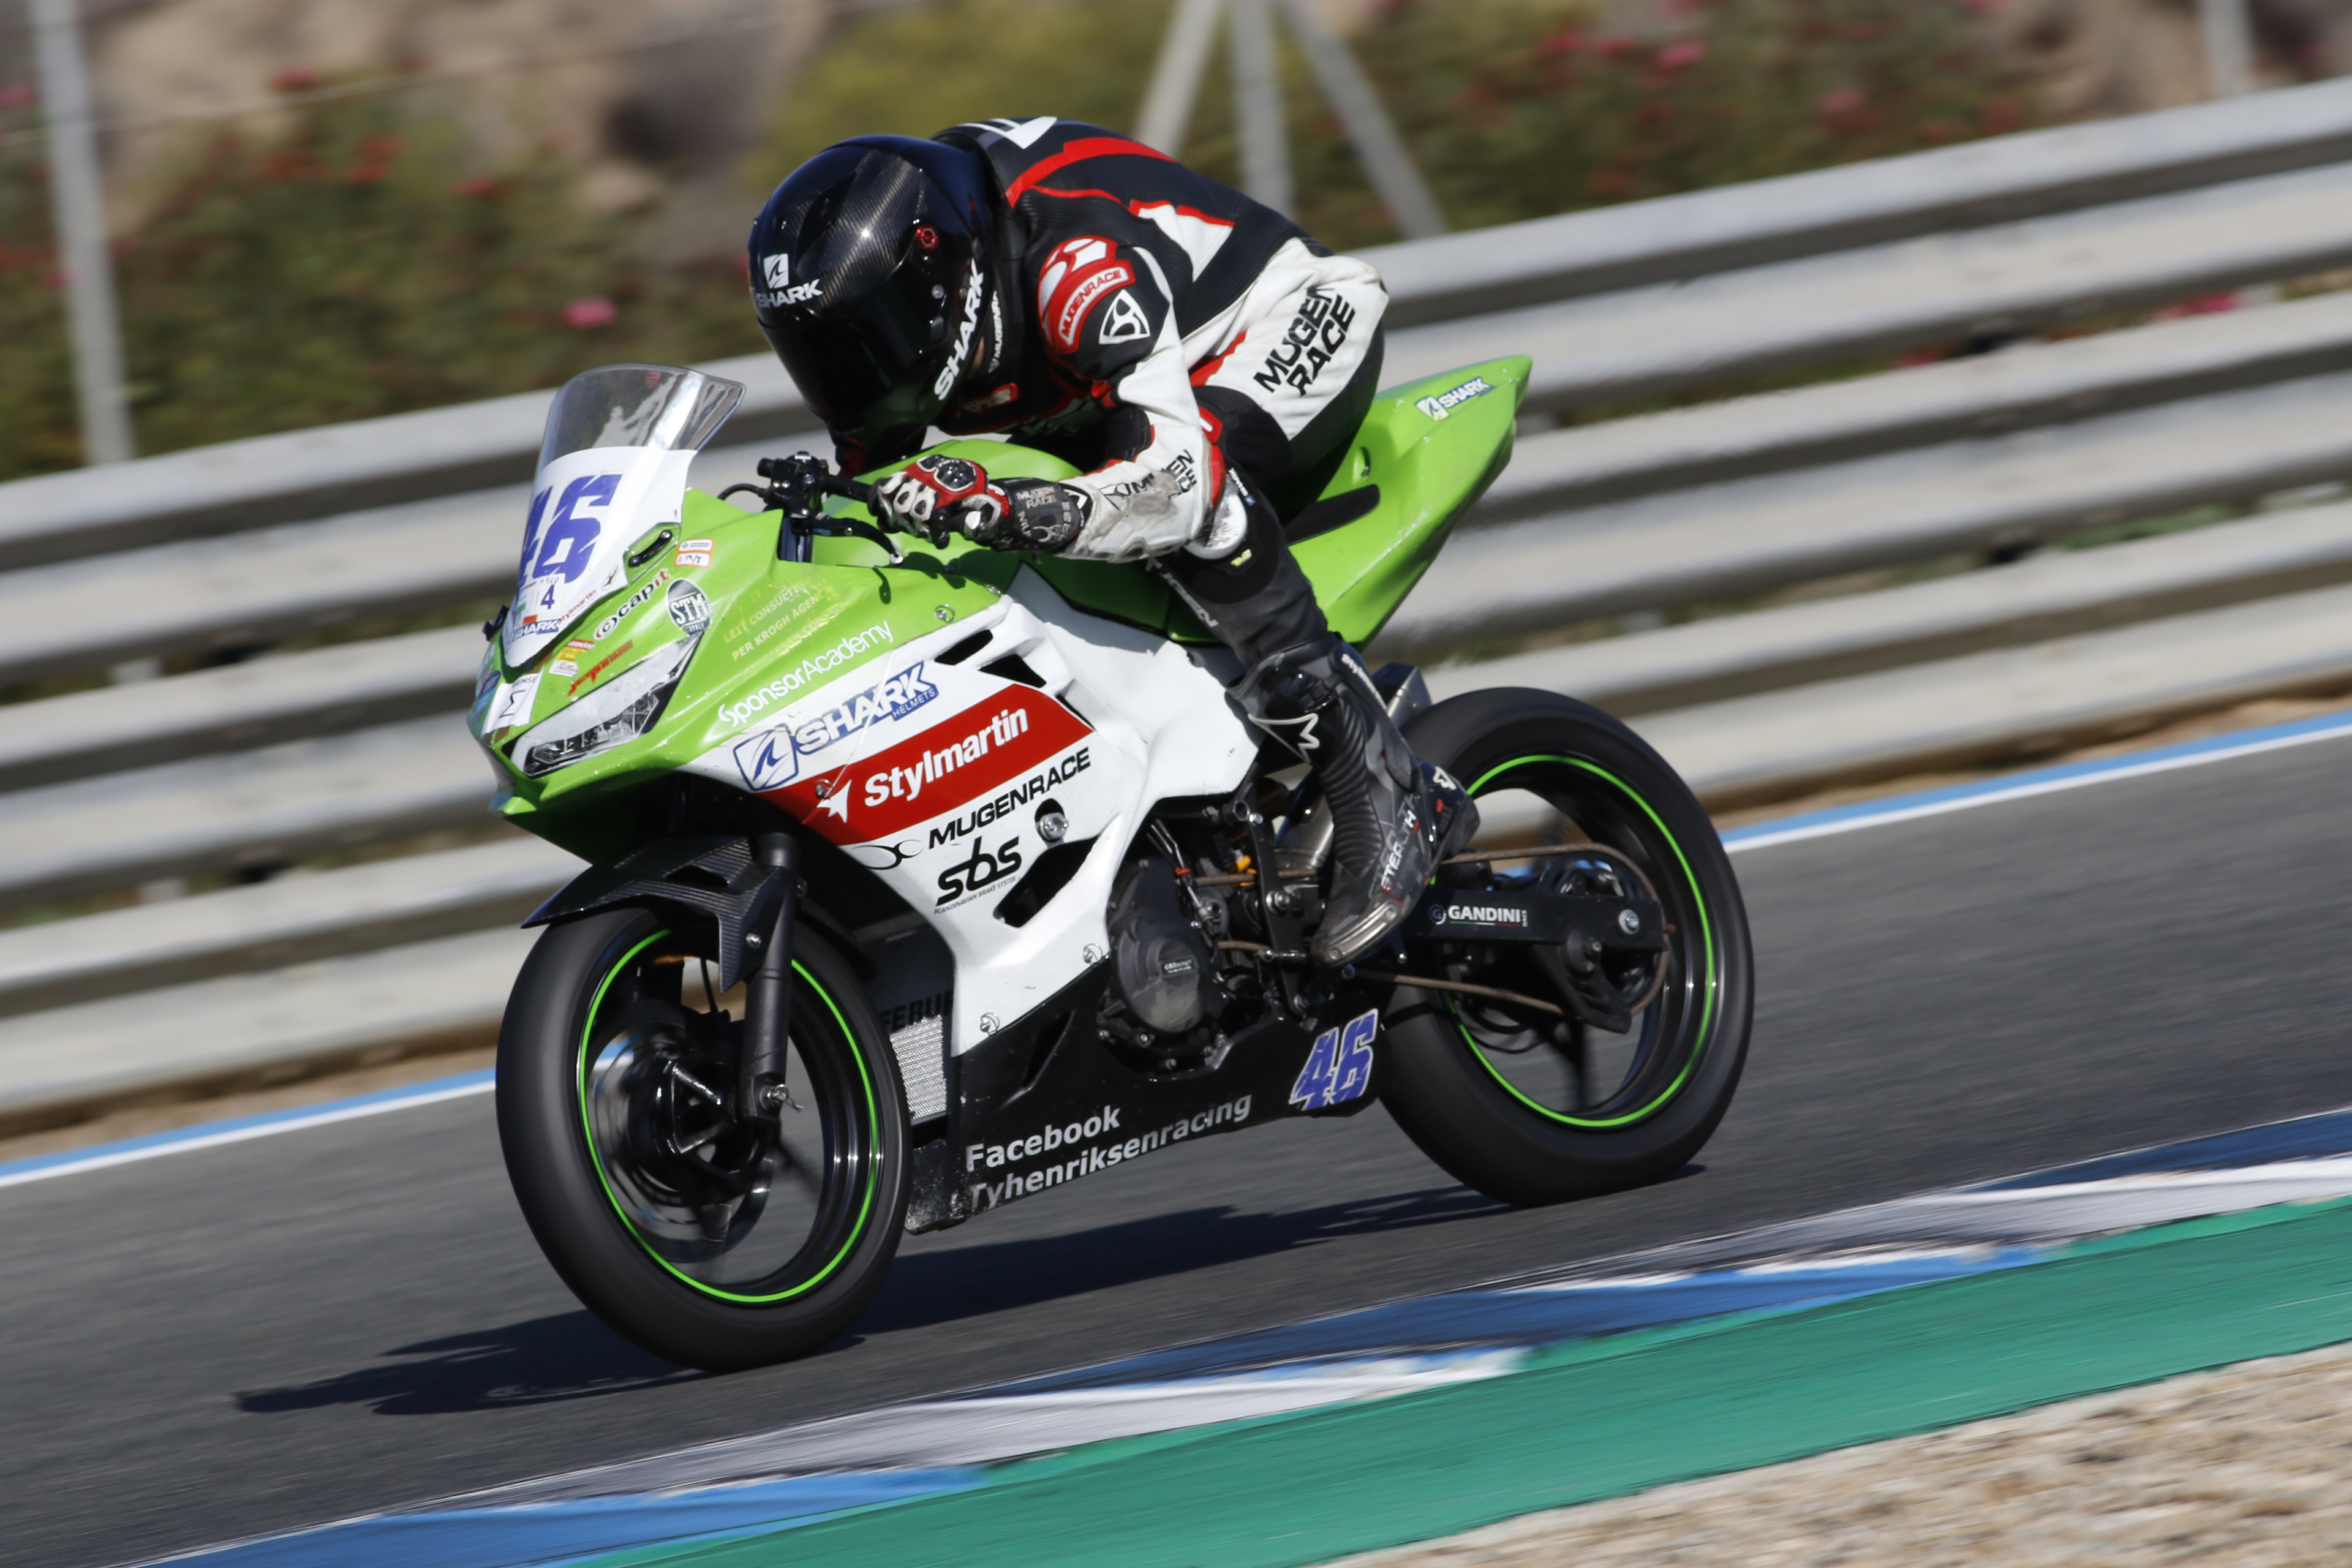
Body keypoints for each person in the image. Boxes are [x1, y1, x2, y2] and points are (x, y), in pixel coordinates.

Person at [746, 116, 1474, 968]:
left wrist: (1016, 507)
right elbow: (871, 486)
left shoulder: (1075, 264)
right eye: (825, 354)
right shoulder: (921, 308)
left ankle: (1381, 780)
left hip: (1277, 323)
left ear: (940, 280)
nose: (853, 371)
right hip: (1114, 394)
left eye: (870, 337)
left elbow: (1173, 484)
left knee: (1192, 494)